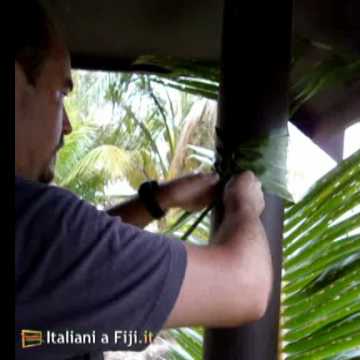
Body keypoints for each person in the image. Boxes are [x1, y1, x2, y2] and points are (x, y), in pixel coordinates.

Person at [15, 2, 272, 359]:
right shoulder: (37, 225)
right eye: (61, 92)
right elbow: (247, 287)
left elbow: (58, 294)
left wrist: (159, 199)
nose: (68, 125)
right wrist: (245, 205)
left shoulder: (38, 241)